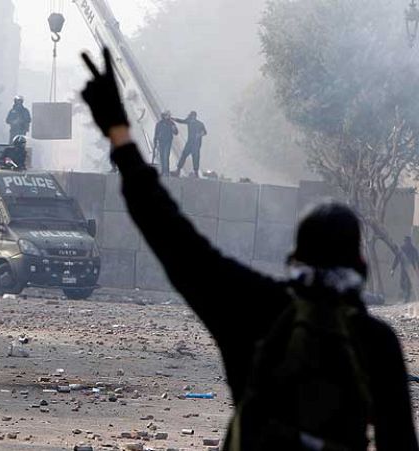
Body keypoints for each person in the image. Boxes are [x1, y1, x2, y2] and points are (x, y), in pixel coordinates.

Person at [80, 47, 417, 451]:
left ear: (295, 258)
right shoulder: (376, 343)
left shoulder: (251, 306)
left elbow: (169, 232)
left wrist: (118, 132)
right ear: (360, 263)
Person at [173, 111, 207, 177]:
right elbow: (182, 121)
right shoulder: (189, 122)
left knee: (195, 158)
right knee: (184, 155)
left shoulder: (200, 124)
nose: (191, 117)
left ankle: (196, 172)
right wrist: (174, 119)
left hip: (196, 144)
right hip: (189, 143)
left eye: (191, 116)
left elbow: (205, 132)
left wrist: (199, 134)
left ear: (194, 116)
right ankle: (178, 170)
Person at [391, 236, 419, 302]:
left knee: (408, 283)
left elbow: (417, 260)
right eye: (405, 241)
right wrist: (392, 269)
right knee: (402, 283)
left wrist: (416, 270)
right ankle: (406, 294)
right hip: (403, 269)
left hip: (411, 269)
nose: (406, 243)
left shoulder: (413, 249)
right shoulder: (402, 249)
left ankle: (407, 297)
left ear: (410, 242)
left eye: (407, 241)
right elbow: (397, 259)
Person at [154, 110, 178, 176]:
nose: (169, 116)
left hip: (168, 142)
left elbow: (176, 133)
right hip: (161, 142)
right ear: (164, 116)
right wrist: (155, 142)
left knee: (166, 156)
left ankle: (166, 171)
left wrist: (174, 129)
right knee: (161, 156)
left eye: (169, 115)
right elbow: (156, 134)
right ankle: (163, 171)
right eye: (167, 115)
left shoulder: (171, 123)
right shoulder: (159, 124)